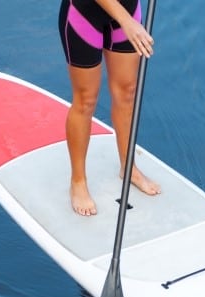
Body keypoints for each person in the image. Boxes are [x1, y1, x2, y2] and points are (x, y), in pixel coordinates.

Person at [58, 0, 161, 216]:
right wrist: (126, 21)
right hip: (84, 15)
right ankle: (78, 181)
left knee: (127, 92)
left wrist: (127, 20)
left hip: (128, 12)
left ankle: (128, 168)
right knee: (86, 100)